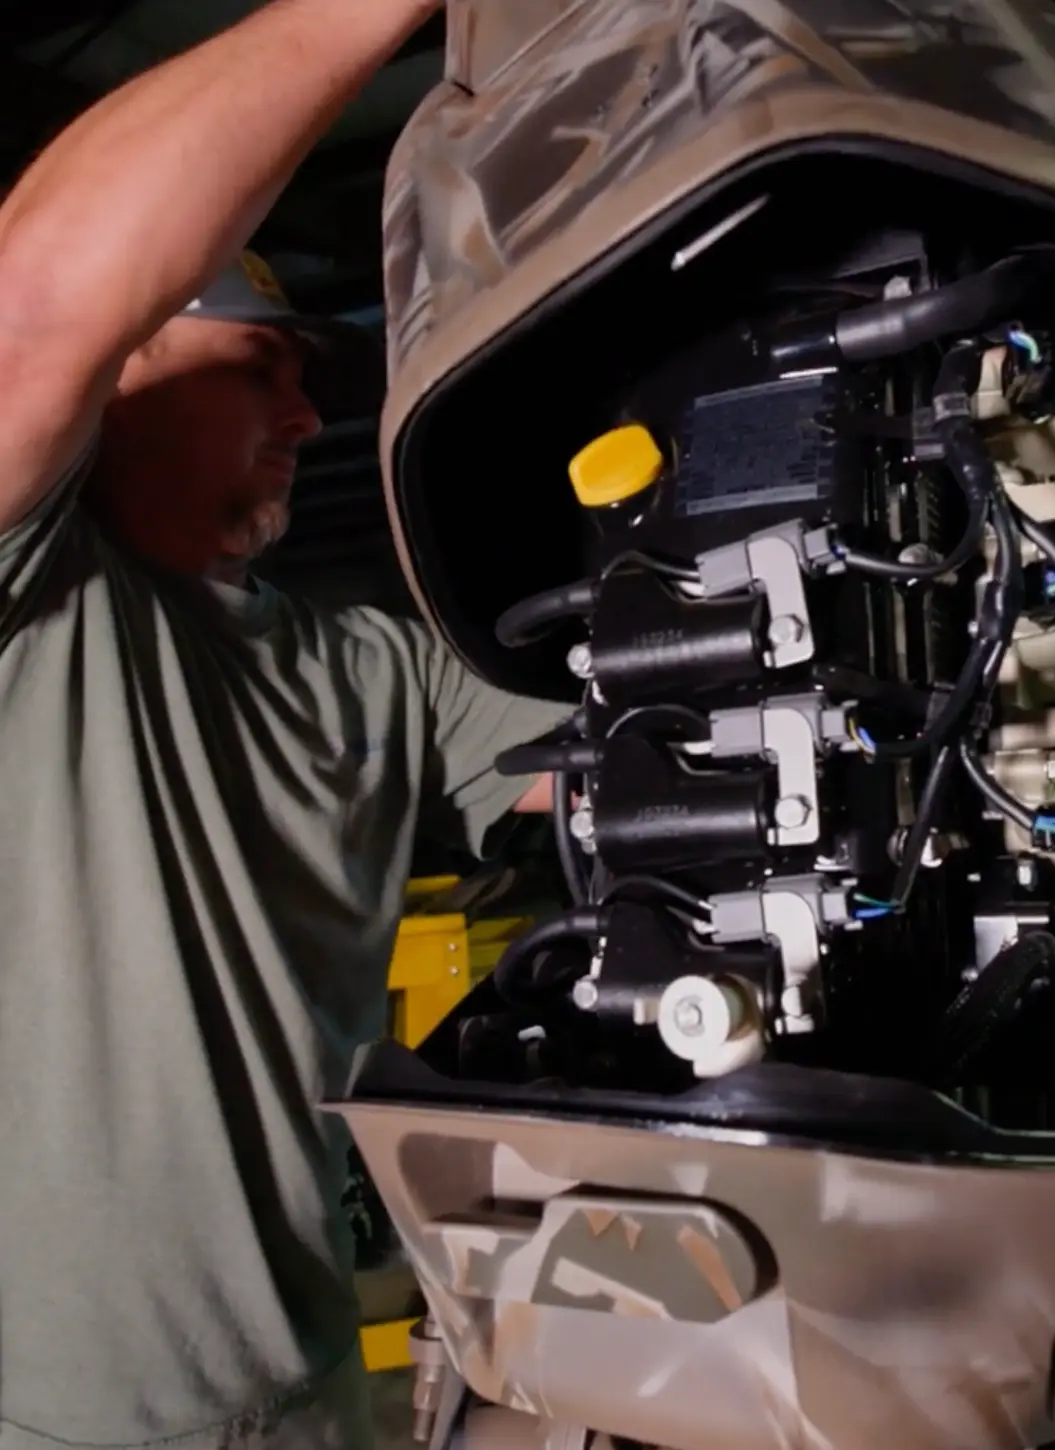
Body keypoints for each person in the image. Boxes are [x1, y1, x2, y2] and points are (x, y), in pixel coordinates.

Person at [0, 2, 565, 1446]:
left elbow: (611, 782)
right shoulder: (38, 610)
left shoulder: (371, 665)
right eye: (268, 367)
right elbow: (38, 297)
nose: (313, 416)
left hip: (313, 1402)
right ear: (128, 364)